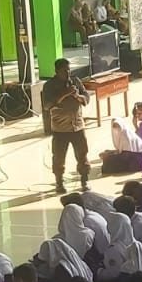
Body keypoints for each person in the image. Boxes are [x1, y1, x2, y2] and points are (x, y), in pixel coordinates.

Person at [44, 57, 91, 194]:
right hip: (60, 128)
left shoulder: (75, 81)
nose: (68, 73)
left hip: (78, 126)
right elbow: (47, 105)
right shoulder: (50, 85)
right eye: (65, 70)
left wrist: (78, 96)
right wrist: (64, 94)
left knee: (82, 155)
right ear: (57, 71)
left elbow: (86, 98)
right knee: (59, 157)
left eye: (69, 70)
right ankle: (59, 182)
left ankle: (84, 180)